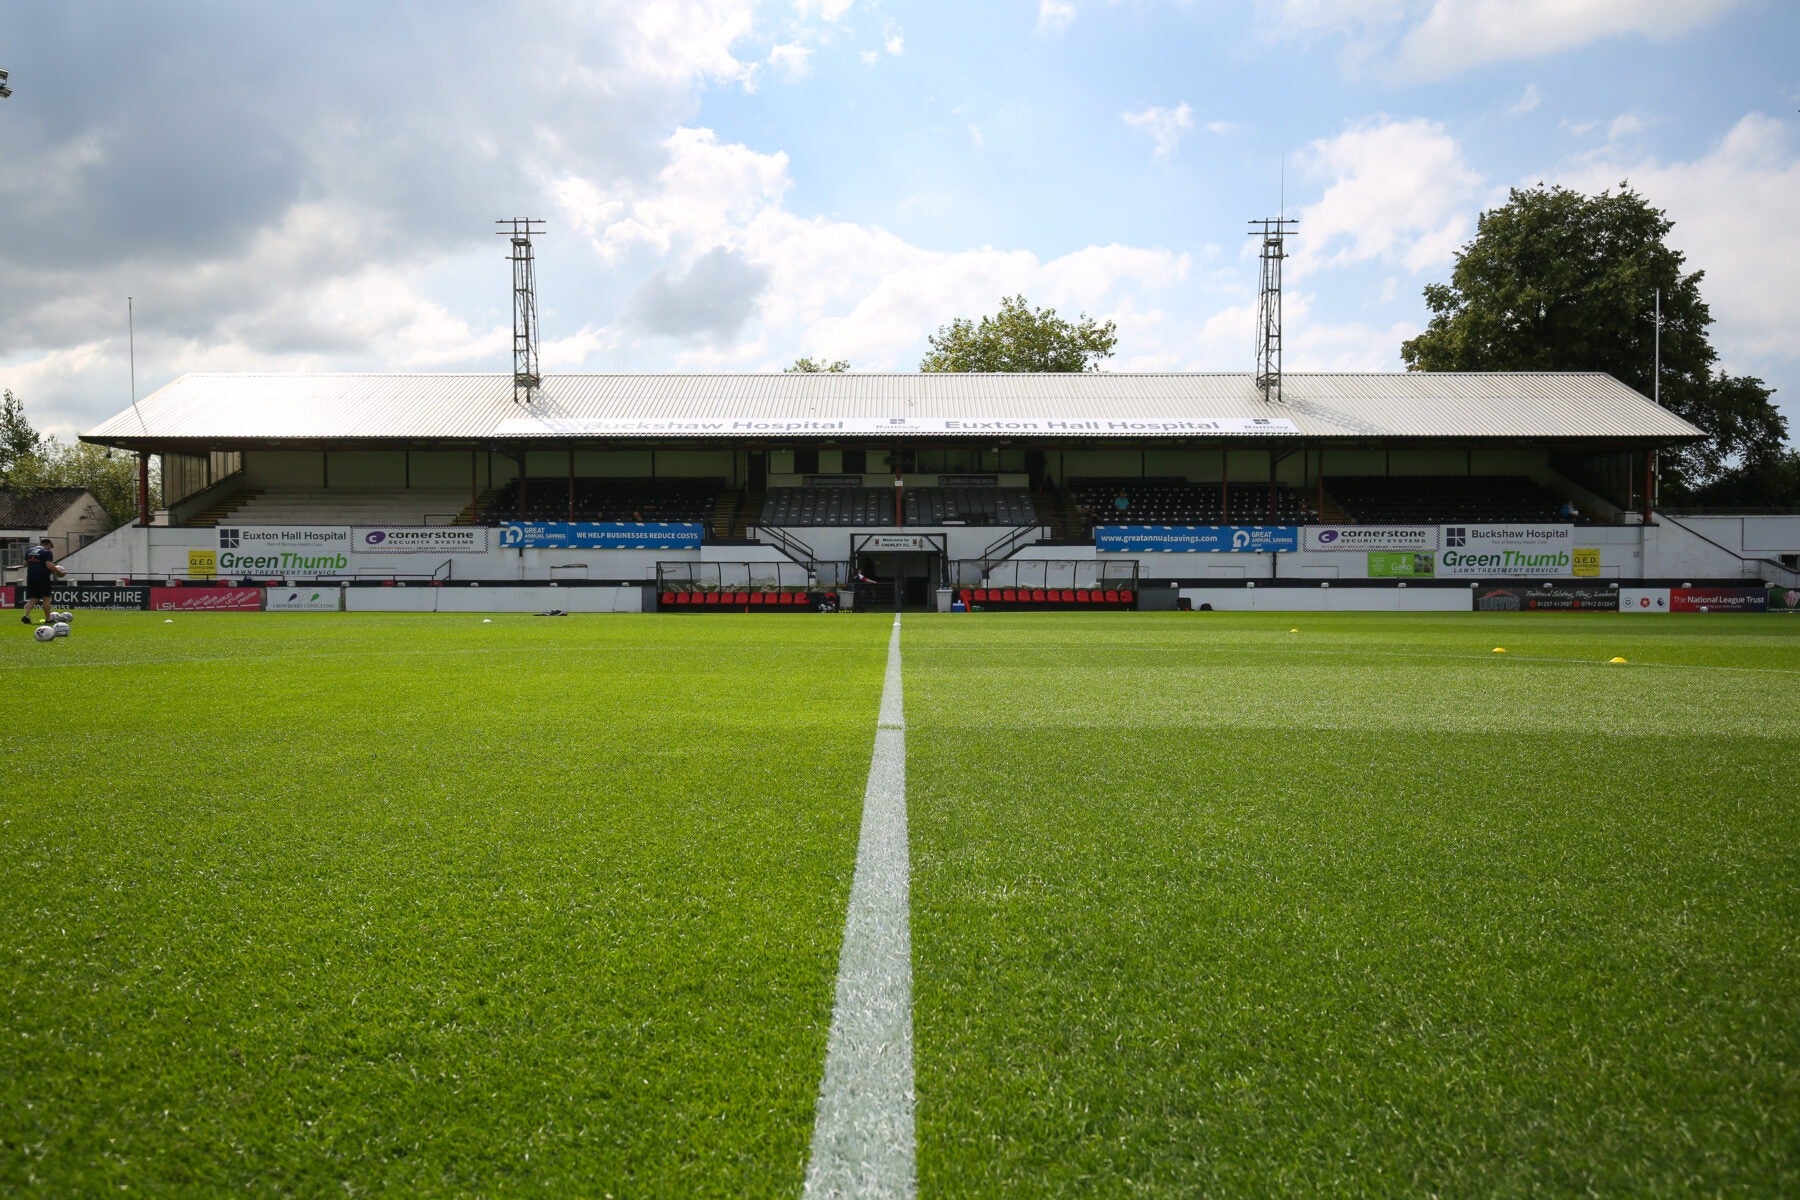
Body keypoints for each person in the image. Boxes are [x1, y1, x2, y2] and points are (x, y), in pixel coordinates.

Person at [21, 537, 66, 626]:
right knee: (46, 598)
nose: (50, 548)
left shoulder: (30, 550)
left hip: (31, 577)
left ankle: (26, 616)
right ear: (47, 544)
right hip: (42, 578)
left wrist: (35, 564)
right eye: (50, 546)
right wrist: (59, 572)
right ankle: (48, 619)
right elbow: (48, 565)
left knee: (33, 598)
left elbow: (25, 564)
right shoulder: (47, 552)